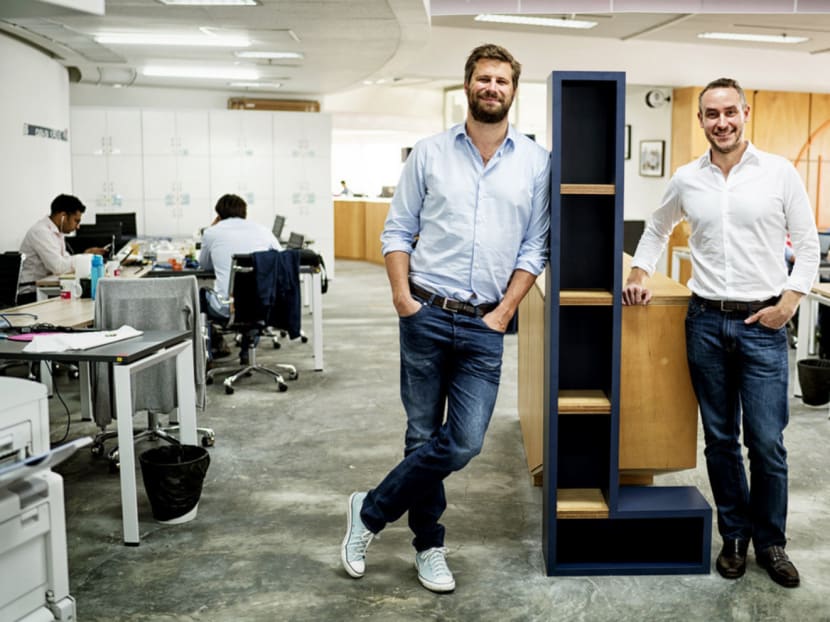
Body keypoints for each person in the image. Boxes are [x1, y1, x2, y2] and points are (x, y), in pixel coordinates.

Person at [340, 43, 550, 593]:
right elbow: (397, 230)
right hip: (426, 313)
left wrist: (506, 311)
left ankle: (370, 510)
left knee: (464, 441)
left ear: (513, 90)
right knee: (420, 435)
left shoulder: (536, 161)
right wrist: (402, 298)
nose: (492, 88)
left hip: (487, 323)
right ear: (467, 85)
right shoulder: (430, 153)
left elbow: (535, 246)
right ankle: (429, 546)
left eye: (502, 81)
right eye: (484, 79)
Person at [623, 78, 819, 588]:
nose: (722, 122)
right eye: (712, 114)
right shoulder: (688, 179)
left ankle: (770, 542)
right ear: (702, 120)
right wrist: (639, 271)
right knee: (720, 439)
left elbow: (809, 246)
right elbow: (656, 227)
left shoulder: (778, 173)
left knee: (767, 443)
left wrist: (790, 302)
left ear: (745, 112)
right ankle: (734, 536)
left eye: (730, 111)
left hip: (763, 325)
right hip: (706, 320)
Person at [198, 194, 281, 362]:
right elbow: (280, 259)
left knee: (201, 295)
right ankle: (247, 348)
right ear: (245, 213)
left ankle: (208, 355)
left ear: (219, 214)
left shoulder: (211, 232)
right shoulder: (263, 230)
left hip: (228, 307)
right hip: (264, 304)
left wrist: (213, 228)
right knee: (253, 303)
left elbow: (205, 265)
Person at [18, 194, 108, 303]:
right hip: (30, 293)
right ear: (63, 216)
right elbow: (59, 267)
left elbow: (65, 261)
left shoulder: (57, 232)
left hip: (47, 288)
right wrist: (86, 258)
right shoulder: (41, 232)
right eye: (76, 220)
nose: (78, 226)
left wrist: (85, 257)